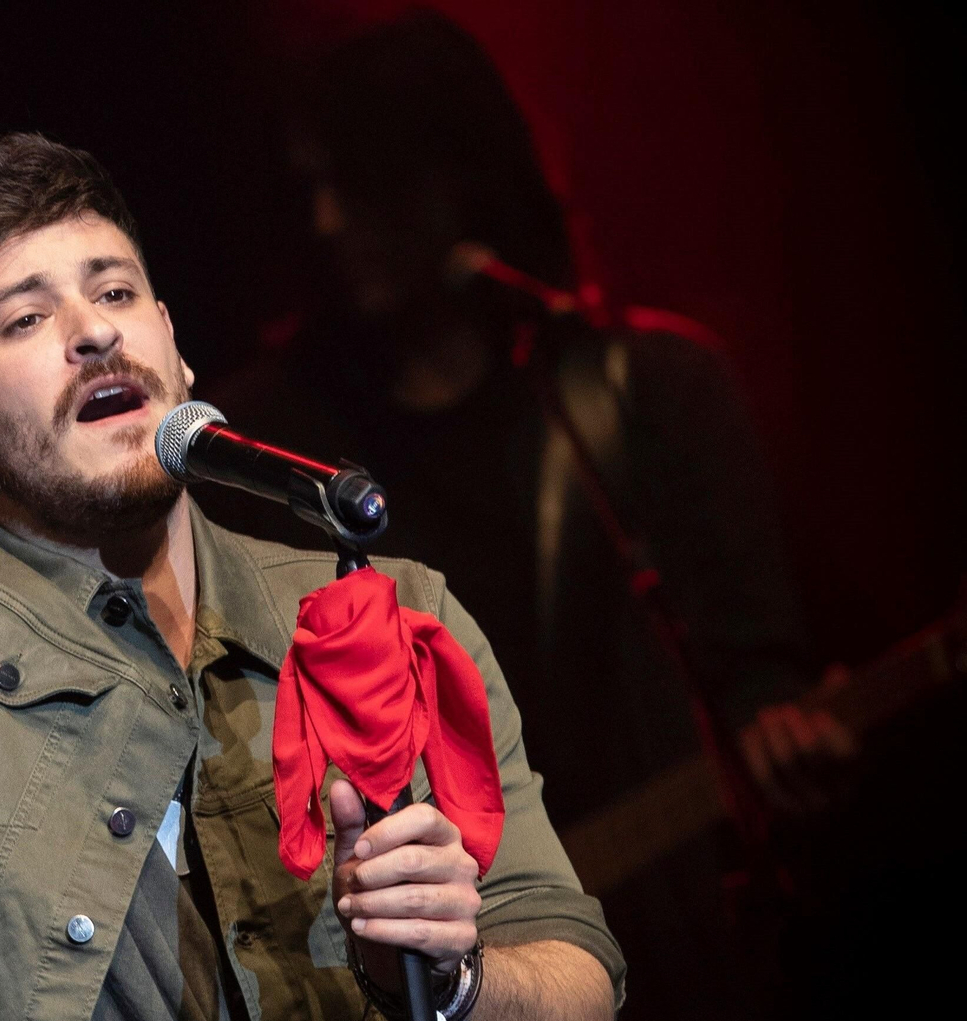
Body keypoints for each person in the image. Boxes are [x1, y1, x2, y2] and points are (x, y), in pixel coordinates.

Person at [0, 2, 624, 1019]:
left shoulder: (393, 616)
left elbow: (575, 970)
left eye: (113, 293)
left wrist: (451, 976)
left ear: (175, 347)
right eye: (25, 317)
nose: (92, 335)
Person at [199, 12, 852, 1021]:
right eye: (314, 188)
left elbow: (749, 659)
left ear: (458, 176)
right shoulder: (279, 447)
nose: (331, 221)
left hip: (686, 932)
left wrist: (773, 718)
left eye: (365, 184)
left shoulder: (647, 391)